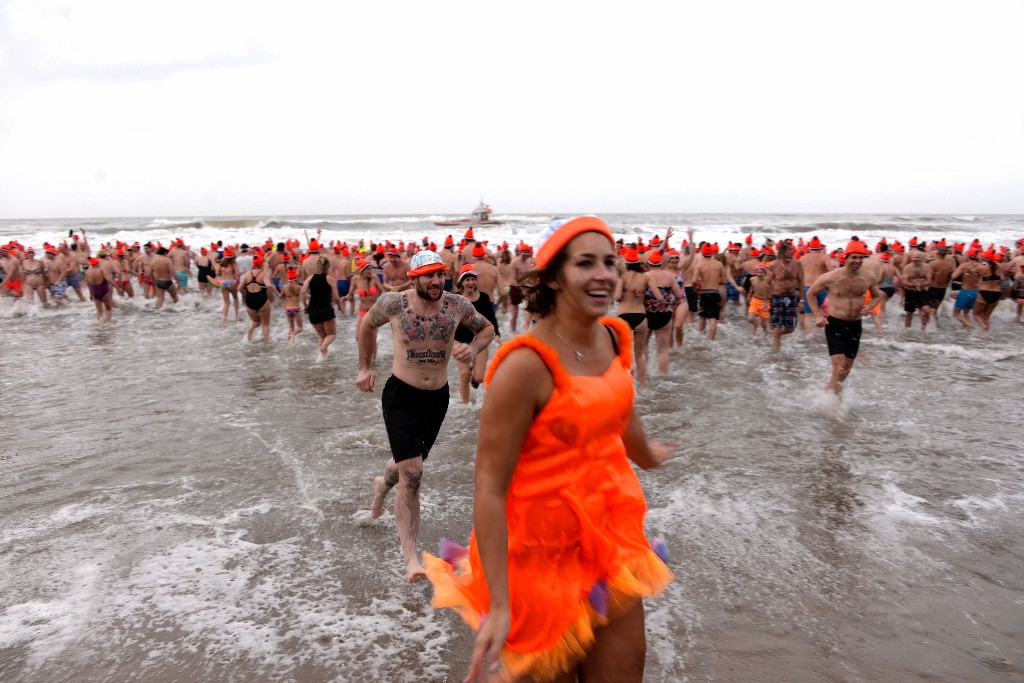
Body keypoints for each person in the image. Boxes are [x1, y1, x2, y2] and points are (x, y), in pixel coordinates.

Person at [422, 216, 673, 683]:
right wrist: (499, 605)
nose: (605, 274)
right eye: (585, 263)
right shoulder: (524, 364)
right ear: (553, 277)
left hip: (611, 541)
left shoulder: (615, 335)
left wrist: (649, 454)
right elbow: (490, 488)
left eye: (610, 262)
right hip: (538, 560)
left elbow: (618, 408)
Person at [356, 250, 494, 582]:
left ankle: (381, 486)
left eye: (441, 275)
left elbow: (486, 328)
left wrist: (472, 349)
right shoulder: (394, 303)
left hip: (437, 399)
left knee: (407, 467)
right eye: (429, 275)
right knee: (414, 474)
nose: (436, 281)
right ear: (415, 277)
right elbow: (366, 325)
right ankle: (411, 559)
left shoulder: (456, 306)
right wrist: (364, 367)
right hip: (401, 394)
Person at [806, 241, 888, 395]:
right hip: (835, 323)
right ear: (846, 257)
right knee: (839, 366)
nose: (857, 261)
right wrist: (818, 316)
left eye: (860, 258)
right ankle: (829, 397)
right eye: (854, 257)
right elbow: (810, 293)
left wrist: (869, 307)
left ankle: (831, 392)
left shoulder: (868, 276)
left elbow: (878, 296)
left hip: (855, 325)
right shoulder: (831, 277)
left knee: (846, 370)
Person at [454, 263, 501, 403]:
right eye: (467, 279)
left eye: (473, 279)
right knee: (464, 375)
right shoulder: (455, 299)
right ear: (461, 282)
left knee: (479, 378)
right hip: (458, 340)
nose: (471, 282)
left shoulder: (484, 298)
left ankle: (474, 371)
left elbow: (492, 318)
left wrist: (497, 334)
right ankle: (465, 406)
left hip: (480, 339)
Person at [300, 254, 341, 358]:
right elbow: (336, 297)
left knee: (322, 336)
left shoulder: (309, 279)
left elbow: (302, 292)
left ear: (317, 266)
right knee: (331, 335)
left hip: (312, 311)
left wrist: (305, 306)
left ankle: (322, 358)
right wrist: (340, 306)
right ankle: (323, 348)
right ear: (328, 267)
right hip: (326, 309)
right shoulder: (331, 279)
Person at [766, 241, 802, 351]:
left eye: (792, 249)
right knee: (777, 326)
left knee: (790, 328)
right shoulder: (774, 265)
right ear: (783, 252)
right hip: (777, 297)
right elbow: (767, 283)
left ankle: (776, 336)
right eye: (789, 249)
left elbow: (801, 282)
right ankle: (776, 351)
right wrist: (765, 301)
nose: (792, 251)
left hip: (791, 297)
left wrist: (802, 300)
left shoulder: (797, 264)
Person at [239, 254, 276, 341]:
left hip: (249, 301)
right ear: (262, 263)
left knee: (255, 322)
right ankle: (265, 344)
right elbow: (269, 286)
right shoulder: (264, 274)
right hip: (261, 300)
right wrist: (272, 298)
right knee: (265, 324)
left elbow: (239, 288)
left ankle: (249, 334)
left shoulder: (247, 274)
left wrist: (244, 296)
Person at [84, 256, 115, 322]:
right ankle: (106, 324)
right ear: (98, 263)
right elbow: (109, 280)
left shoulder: (87, 272)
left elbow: (89, 285)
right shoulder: (101, 270)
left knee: (99, 312)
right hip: (103, 290)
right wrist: (117, 287)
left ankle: (100, 325)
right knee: (108, 309)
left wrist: (91, 295)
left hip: (95, 291)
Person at [280, 268, 304, 341]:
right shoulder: (299, 287)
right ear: (295, 277)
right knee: (300, 328)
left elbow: (280, 297)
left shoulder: (284, 287)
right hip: (296, 308)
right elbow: (305, 295)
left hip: (288, 309)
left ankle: (290, 342)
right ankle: (293, 334)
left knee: (291, 327)